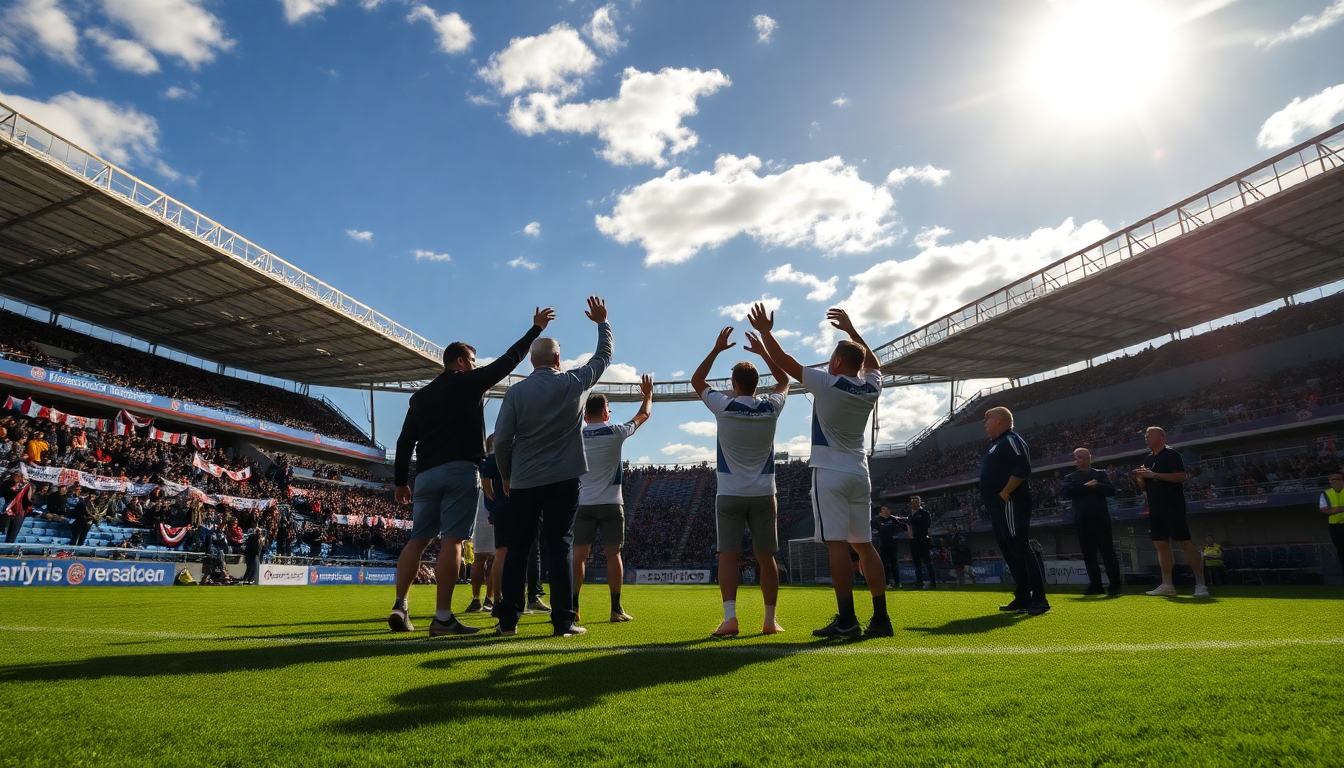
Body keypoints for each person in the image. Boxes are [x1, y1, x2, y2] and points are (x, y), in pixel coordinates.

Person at [388, 306, 552, 637]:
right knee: (452, 542)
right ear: (462, 362)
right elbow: (509, 360)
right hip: (459, 471)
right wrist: (535, 330)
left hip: (425, 475)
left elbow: (404, 441)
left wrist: (401, 481)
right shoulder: (468, 381)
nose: (476, 366)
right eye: (473, 361)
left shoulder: (419, 397)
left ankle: (400, 604)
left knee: (417, 540)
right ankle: (443, 617)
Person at [750, 302, 890, 638]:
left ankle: (847, 619)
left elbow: (786, 363)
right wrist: (853, 331)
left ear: (839, 361)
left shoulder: (827, 383)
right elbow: (873, 363)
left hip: (830, 471)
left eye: (832, 357)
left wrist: (766, 333)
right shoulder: (872, 387)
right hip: (860, 472)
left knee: (837, 545)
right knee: (865, 545)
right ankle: (881, 619)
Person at [493, 296, 612, 638]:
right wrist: (603, 323)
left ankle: (508, 621)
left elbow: (502, 440)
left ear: (531, 361)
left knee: (518, 547)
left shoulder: (515, 394)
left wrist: (506, 475)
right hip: (563, 479)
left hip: (525, 481)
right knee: (559, 545)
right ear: (558, 359)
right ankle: (563, 621)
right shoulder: (573, 383)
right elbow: (603, 358)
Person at [690, 326, 789, 637]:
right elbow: (785, 380)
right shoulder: (771, 407)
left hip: (730, 494)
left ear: (733, 385)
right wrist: (764, 353)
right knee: (766, 557)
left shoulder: (724, 405)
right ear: (757, 385)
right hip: (763, 493)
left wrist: (717, 348)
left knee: (728, 556)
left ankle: (730, 619)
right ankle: (770, 621)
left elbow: (697, 381)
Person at [573, 374, 653, 624]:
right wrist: (648, 396)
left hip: (583, 503)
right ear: (606, 413)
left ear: (586, 415)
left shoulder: (575, 435)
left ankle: (573, 608)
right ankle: (615, 609)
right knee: (613, 554)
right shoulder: (616, 431)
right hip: (611, 503)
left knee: (578, 556)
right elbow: (643, 416)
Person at [980, 407, 1049, 615]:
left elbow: (1022, 467)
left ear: (1000, 421)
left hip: (1010, 501)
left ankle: (1039, 599)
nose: (985, 425)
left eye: (988, 420)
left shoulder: (1011, 439)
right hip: (998, 505)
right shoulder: (996, 445)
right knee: (1009, 550)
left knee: (1020, 546)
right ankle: (1022, 597)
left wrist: (1006, 492)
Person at [1137, 427, 1209, 598]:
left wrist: (1153, 474)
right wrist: (1140, 476)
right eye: (1146, 436)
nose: (1147, 438)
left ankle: (1200, 584)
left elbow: (1180, 477)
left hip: (1173, 505)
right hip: (1155, 507)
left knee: (1184, 542)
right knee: (1161, 545)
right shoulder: (1148, 458)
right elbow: (1144, 486)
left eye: (1150, 436)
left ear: (1162, 437)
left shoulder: (1172, 454)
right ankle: (1167, 584)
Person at [1060, 448, 1122, 597]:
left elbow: (1111, 490)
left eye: (1083, 457)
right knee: (1089, 554)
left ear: (1089, 458)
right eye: (1078, 457)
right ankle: (1095, 586)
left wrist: (1096, 486)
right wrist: (1088, 486)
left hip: (1101, 519)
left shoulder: (1100, 474)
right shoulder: (1070, 477)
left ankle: (1115, 585)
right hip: (1082, 520)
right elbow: (1067, 493)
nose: (1080, 460)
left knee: (1108, 552)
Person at [465, 486, 496, 613]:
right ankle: (490, 599)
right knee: (495, 559)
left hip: (478, 517)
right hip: (494, 514)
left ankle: (476, 600)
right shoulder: (497, 469)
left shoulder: (478, 471)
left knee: (479, 559)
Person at [903, 496, 937, 589]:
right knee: (916, 562)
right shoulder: (910, 515)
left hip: (923, 539)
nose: (913, 504)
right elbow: (908, 525)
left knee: (927, 561)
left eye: (915, 502)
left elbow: (927, 524)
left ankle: (933, 582)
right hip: (913, 541)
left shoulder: (924, 513)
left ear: (919, 503)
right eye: (912, 503)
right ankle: (919, 582)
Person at [1318, 473, 1344, 576]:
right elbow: (1323, 508)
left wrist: (1336, 509)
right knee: (1341, 551)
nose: (1335, 481)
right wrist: (1335, 510)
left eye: (1337, 479)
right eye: (1333, 480)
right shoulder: (1326, 493)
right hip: (1336, 526)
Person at [873, 505, 903, 588]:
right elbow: (874, 525)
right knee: (884, 564)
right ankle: (886, 582)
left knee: (894, 564)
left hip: (893, 544)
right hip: (883, 544)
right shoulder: (878, 520)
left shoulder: (893, 519)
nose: (885, 510)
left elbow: (901, 526)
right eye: (883, 509)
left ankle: (897, 582)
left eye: (886, 509)